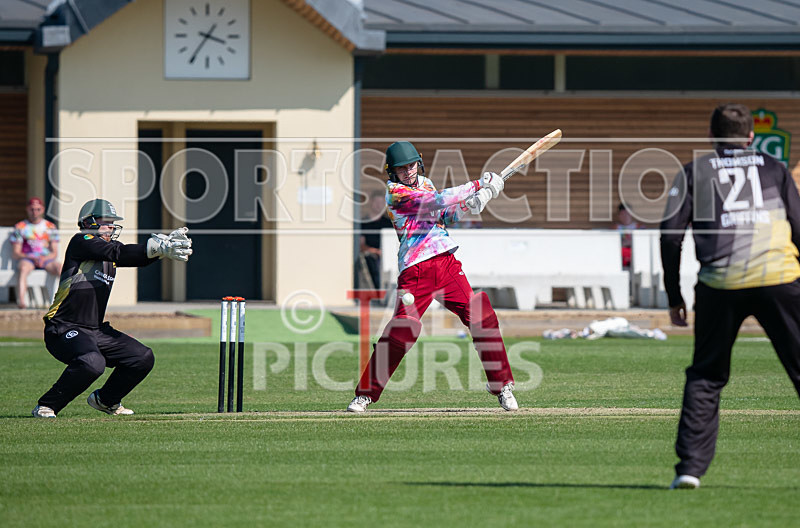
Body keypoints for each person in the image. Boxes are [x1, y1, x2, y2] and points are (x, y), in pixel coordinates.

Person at [660, 103, 800, 489]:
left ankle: (690, 470)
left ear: (711, 136)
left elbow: (670, 236)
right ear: (751, 136)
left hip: (721, 283)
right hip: (779, 278)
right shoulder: (774, 168)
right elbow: (799, 225)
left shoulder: (695, 172)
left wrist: (674, 296)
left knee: (706, 375)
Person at [346, 141, 517, 412]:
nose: (408, 172)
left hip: (446, 262)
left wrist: (473, 203)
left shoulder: (426, 183)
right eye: (401, 169)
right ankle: (365, 394)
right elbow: (434, 202)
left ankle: (502, 385)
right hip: (415, 270)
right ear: (392, 172)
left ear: (419, 163)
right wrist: (477, 185)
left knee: (481, 317)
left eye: (411, 166)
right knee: (402, 331)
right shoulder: (395, 193)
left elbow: (443, 216)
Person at [31, 199, 193, 418]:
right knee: (92, 362)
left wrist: (160, 252)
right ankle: (47, 405)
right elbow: (117, 252)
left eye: (112, 222)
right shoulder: (82, 241)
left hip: (95, 330)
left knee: (142, 357)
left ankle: (105, 400)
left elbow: (132, 257)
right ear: (89, 222)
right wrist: (156, 248)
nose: (111, 226)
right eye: (106, 221)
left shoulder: (107, 253)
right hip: (63, 327)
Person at [10, 197, 62, 309]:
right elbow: (16, 253)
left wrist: (44, 258)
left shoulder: (50, 227)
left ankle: (68, 299)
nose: (35, 212)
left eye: (38, 209)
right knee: (23, 268)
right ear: (27, 209)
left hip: (46, 259)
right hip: (28, 259)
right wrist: (31, 257)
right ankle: (22, 302)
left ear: (43, 209)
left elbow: (54, 253)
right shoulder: (20, 227)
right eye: (32, 209)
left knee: (60, 268)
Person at [356, 189, 394, 290]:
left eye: (381, 203)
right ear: (371, 203)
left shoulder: (389, 224)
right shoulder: (363, 223)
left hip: (389, 257)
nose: (379, 205)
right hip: (371, 257)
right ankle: (377, 291)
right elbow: (361, 245)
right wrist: (375, 251)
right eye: (376, 202)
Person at [616, 202, 640, 270]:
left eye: (627, 214)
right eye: (623, 214)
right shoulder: (616, 228)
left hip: (636, 255)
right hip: (621, 256)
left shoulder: (638, 227)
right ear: (619, 215)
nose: (625, 216)